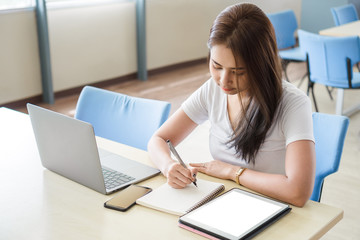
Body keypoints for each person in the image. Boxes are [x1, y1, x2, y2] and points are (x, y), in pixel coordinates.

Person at [147, 3, 315, 207]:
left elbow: (298, 192)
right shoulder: (212, 89)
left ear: (261, 65)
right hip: (224, 202)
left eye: (238, 72)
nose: (224, 81)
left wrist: (231, 172)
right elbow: (158, 139)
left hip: (271, 207)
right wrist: (169, 166)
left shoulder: (292, 103)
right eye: (217, 66)